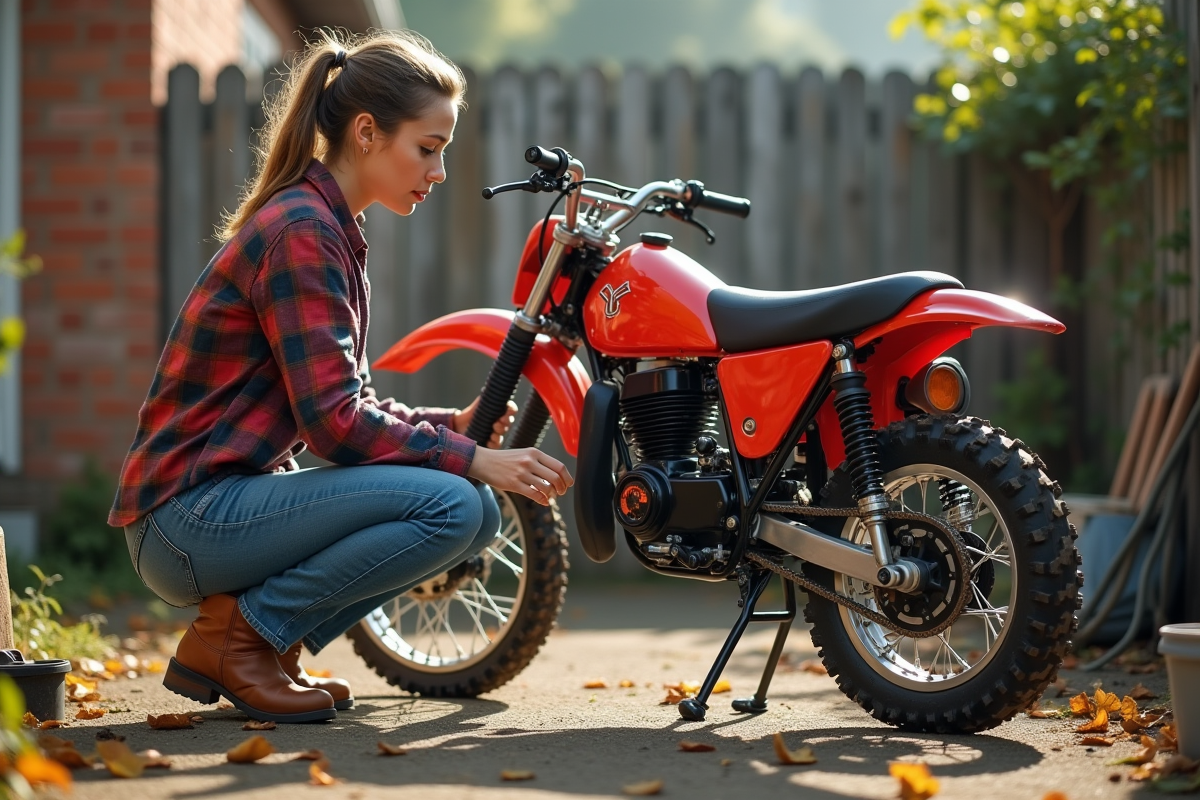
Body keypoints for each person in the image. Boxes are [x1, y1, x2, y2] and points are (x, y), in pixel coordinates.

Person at [107, 31, 573, 724]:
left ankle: (262, 642)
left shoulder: (324, 226)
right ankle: (243, 640)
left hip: (220, 508)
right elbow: (335, 426)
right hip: (185, 519)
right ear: (366, 133)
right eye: (428, 147)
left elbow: (342, 403)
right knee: (456, 504)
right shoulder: (303, 232)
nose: (438, 171)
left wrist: (449, 429)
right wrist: (473, 457)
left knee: (471, 512)